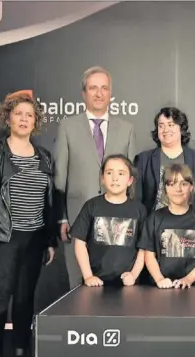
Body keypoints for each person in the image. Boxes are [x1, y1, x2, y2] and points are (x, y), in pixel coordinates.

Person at [0, 92, 57, 357]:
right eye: (18, 113)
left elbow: (48, 202)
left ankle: (20, 349)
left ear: (36, 121)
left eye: (30, 115)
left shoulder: (44, 156)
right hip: (3, 237)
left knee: (25, 297)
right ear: (8, 118)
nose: (24, 119)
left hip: (35, 238)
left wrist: (50, 240)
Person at [54, 66, 137, 289]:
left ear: (111, 93)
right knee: (78, 283)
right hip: (77, 216)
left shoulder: (127, 129)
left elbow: (131, 179)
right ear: (84, 93)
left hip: (117, 222)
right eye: (93, 88)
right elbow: (60, 178)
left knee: (115, 287)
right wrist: (62, 217)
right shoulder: (67, 127)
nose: (99, 94)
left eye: (104, 88)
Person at [139, 164, 195, 288]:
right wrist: (159, 279)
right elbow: (149, 255)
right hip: (163, 288)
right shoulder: (154, 219)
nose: (178, 189)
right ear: (165, 188)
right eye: (171, 184)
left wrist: (188, 279)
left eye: (183, 184)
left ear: (191, 187)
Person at [70, 155, 146, 287]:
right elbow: (80, 242)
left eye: (121, 174)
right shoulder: (91, 206)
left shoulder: (139, 210)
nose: (115, 178)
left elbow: (144, 247)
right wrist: (88, 276)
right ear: (103, 179)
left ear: (130, 180)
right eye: (109, 173)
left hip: (128, 284)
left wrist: (133, 274)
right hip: (96, 283)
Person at [134, 107, 195, 211]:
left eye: (171, 125)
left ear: (181, 128)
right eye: (161, 126)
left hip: (190, 222)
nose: (165, 130)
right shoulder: (144, 159)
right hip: (154, 222)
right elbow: (136, 199)